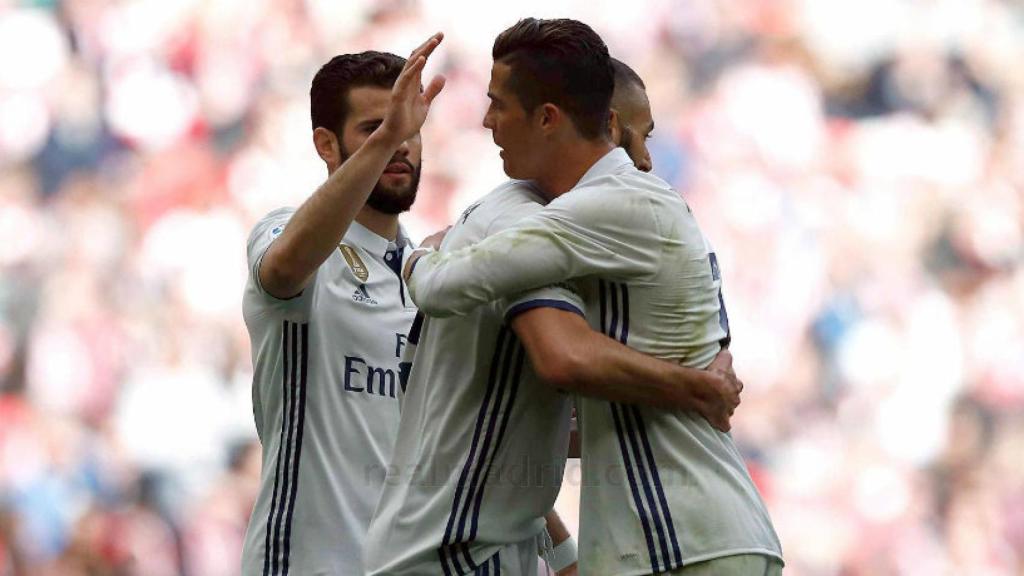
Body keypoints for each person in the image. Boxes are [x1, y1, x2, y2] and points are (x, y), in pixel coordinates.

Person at [402, 19, 784, 576]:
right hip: (689, 537)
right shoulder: (632, 208)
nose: (487, 123)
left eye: (498, 105)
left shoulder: (609, 206)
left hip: (684, 541)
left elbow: (440, 289)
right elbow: (598, 412)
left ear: (549, 118)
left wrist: (420, 252)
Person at [239, 35, 446, 576]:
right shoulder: (288, 235)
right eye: (375, 129)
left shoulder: (432, 275)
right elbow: (283, 269)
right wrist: (389, 138)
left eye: (410, 130)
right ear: (327, 145)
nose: (401, 145)